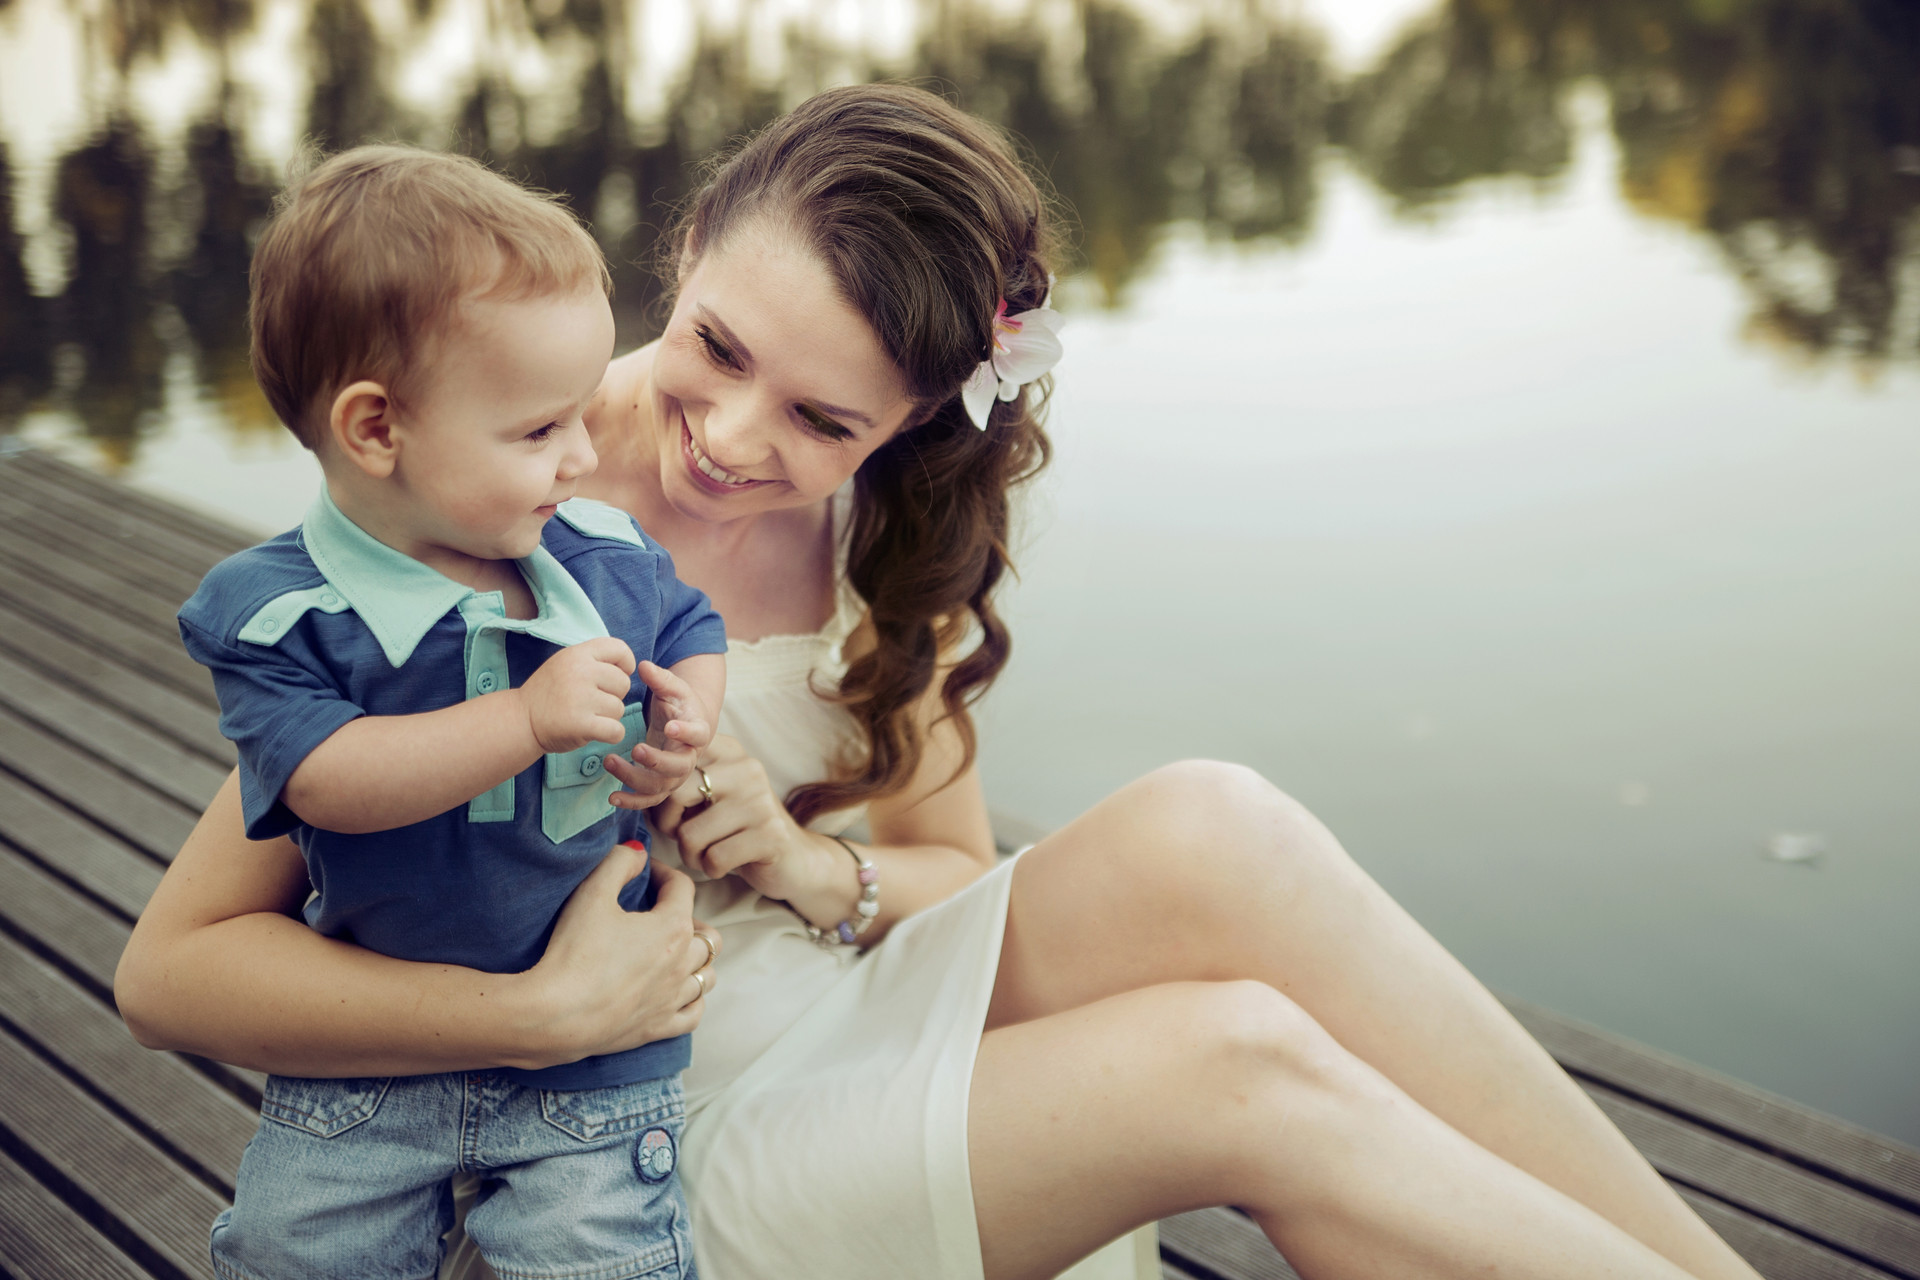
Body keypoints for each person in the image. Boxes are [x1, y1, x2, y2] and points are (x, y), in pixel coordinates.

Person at [118, 85, 1767, 1280]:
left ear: (909, 424)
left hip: (834, 1011)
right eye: (718, 348)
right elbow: (177, 971)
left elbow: (944, 874)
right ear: (684, 252)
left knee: (1220, 826)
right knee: (1239, 1063)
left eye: (826, 423)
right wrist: (534, 1012)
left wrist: (795, 857)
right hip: (604, 1147)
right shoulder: (494, 496)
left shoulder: (871, 545)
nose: (736, 441)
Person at [163, 146, 727, 1280]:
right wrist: (523, 718)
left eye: (578, 418)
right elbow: (324, 775)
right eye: (536, 431)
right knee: (288, 1250)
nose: (581, 456)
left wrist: (683, 729)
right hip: (368, 1063)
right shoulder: (277, 617)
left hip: (596, 1069)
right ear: (376, 431)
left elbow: (692, 626)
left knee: (595, 1256)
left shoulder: (601, 552)